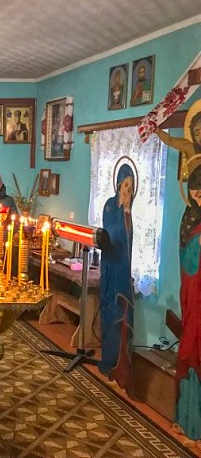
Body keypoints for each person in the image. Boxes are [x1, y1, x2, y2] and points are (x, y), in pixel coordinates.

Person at [98, 164, 135, 392]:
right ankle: (108, 362)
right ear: (118, 184)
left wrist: (127, 212)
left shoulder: (130, 212)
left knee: (123, 315)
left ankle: (122, 368)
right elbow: (110, 233)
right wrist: (123, 212)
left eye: (130, 187)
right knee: (109, 312)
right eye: (125, 185)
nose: (127, 190)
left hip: (123, 268)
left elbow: (128, 239)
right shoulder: (110, 206)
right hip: (110, 265)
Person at [174, 166, 201, 440]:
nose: (198, 199)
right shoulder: (190, 218)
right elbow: (187, 260)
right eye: (194, 194)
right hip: (195, 294)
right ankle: (188, 420)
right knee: (193, 345)